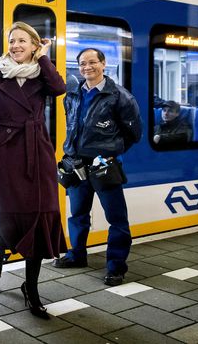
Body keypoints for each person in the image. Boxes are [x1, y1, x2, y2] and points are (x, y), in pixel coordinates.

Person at [0, 22, 67, 319]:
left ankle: (32, 288)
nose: (15, 45)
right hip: (5, 153)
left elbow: (59, 88)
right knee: (7, 209)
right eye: (12, 41)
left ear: (34, 45)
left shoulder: (42, 74)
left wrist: (44, 57)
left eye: (22, 41)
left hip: (37, 153)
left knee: (39, 215)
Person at [53, 48, 142, 287]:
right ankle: (76, 255)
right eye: (82, 63)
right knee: (78, 214)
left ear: (103, 64)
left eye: (92, 62)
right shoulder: (72, 95)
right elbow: (72, 127)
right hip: (76, 165)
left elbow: (134, 134)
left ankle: (116, 267)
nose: (87, 67)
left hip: (105, 167)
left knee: (117, 219)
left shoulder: (121, 97)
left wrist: (109, 153)